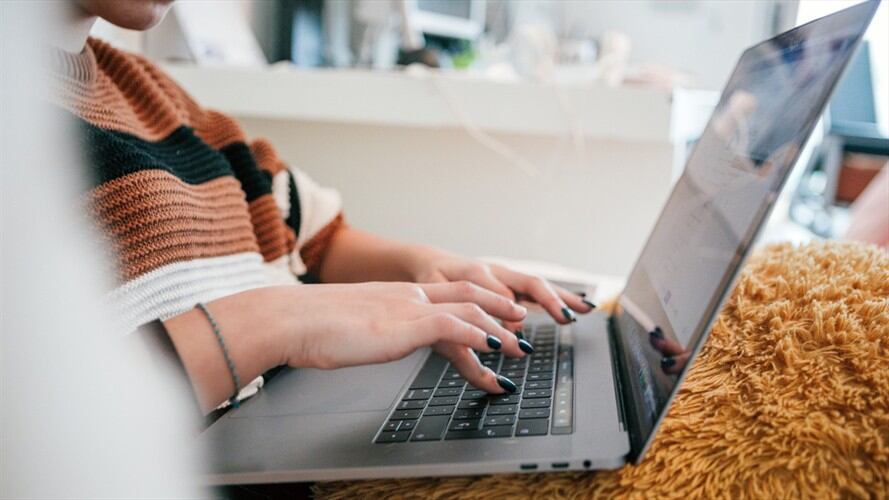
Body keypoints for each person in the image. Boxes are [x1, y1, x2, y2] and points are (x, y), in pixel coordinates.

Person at [52, 0, 596, 414]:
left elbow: (308, 232)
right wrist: (284, 319)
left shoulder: (151, 93)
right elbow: (53, 411)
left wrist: (421, 267)